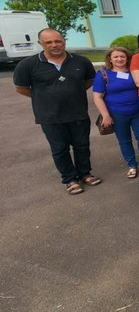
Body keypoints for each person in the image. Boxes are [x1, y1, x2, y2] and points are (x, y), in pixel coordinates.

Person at [14, 28, 101, 194]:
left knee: (82, 146)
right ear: (41, 44)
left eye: (58, 41)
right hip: (50, 116)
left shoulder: (81, 61)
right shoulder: (28, 65)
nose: (54, 45)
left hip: (78, 113)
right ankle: (69, 178)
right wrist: (44, 98)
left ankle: (85, 173)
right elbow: (21, 88)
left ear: (64, 41)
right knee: (60, 149)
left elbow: (89, 81)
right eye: (49, 42)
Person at [92, 46, 139, 179]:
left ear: (128, 58)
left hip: (138, 111)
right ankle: (132, 165)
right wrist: (106, 115)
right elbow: (97, 97)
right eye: (116, 56)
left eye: (122, 56)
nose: (119, 59)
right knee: (124, 140)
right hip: (117, 113)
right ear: (110, 59)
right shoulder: (103, 74)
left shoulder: (134, 72)